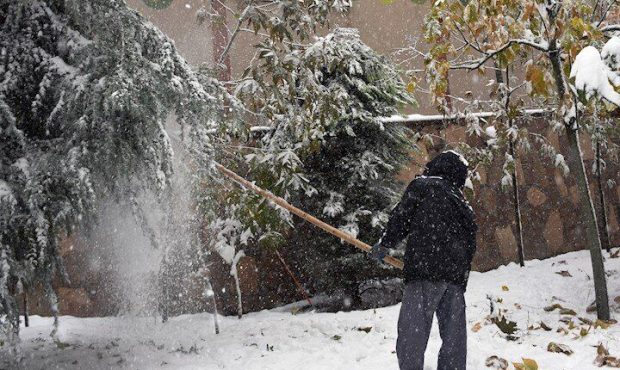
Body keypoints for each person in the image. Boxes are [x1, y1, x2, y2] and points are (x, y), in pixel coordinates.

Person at [372, 150, 477, 370]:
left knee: (413, 332)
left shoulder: (422, 186)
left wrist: (385, 244)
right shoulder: (460, 201)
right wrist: (460, 277)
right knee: (454, 337)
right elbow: (470, 239)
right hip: (454, 278)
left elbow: (401, 217)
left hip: (424, 272)